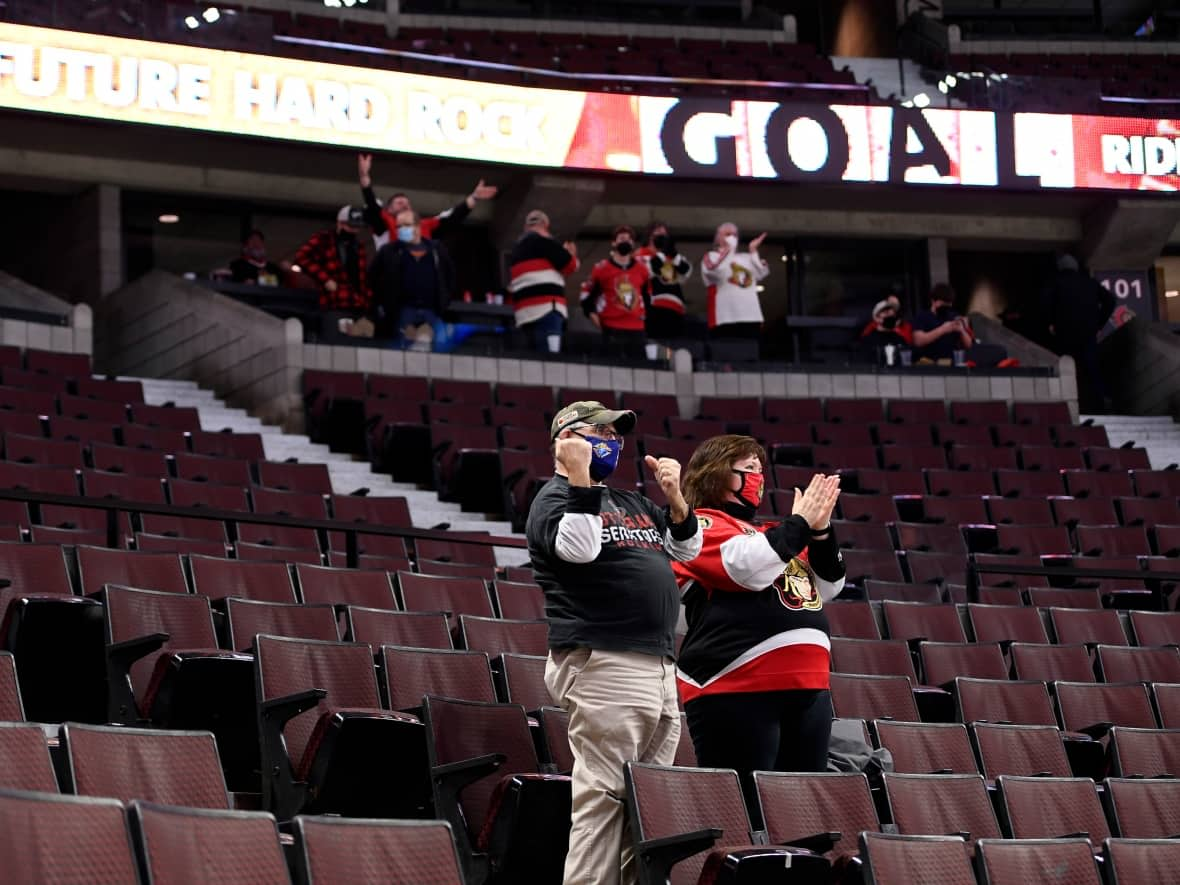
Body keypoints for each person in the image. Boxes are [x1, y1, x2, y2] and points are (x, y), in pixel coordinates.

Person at [527, 400, 702, 885]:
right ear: (566, 440)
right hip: (606, 660)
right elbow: (579, 551)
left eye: (615, 434)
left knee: (644, 806)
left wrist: (676, 498)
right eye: (599, 432)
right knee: (604, 804)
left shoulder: (631, 502)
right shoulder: (553, 498)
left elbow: (686, 549)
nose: (612, 442)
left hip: (659, 666)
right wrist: (580, 479)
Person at [673, 436, 844, 825]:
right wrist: (798, 524)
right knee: (744, 813)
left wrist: (818, 530)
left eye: (760, 470)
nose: (758, 477)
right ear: (716, 473)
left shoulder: (771, 532)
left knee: (800, 819)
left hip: (808, 689)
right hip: (736, 685)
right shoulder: (699, 524)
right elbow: (745, 570)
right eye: (747, 469)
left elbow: (829, 584)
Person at [357, 152, 497, 249]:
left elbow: (451, 218)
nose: (405, 205)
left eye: (407, 203)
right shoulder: (384, 225)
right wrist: (364, 177)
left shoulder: (425, 226)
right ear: (389, 210)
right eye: (399, 203)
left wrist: (474, 197)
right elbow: (372, 205)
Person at [368, 209, 456, 348]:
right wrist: (386, 304)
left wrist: (443, 302)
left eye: (406, 225)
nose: (401, 229)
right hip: (402, 312)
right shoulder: (389, 251)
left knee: (434, 349)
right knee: (404, 351)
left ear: (417, 226)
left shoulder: (436, 250)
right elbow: (373, 277)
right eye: (398, 226)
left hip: (431, 311)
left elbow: (450, 277)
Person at [1043, 253, 1115, 412]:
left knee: (1067, 368)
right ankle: (1102, 400)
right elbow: (1110, 301)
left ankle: (1069, 404)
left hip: (1065, 333)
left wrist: (1051, 323)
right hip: (1088, 332)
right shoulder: (1090, 283)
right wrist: (1099, 324)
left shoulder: (1057, 283)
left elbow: (1046, 304)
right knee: (1092, 368)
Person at [507, 209, 579, 353]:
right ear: (546, 225)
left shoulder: (514, 251)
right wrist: (571, 254)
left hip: (524, 314)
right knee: (551, 359)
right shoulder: (547, 243)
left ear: (526, 227)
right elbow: (571, 266)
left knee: (534, 363)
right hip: (547, 310)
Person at [580, 225, 652, 358]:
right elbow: (586, 299)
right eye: (621, 238)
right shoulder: (601, 269)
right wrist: (596, 319)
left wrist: (645, 320)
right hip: (611, 329)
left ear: (632, 243)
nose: (625, 241)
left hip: (637, 329)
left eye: (629, 239)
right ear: (613, 242)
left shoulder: (642, 269)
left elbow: (648, 298)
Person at [293, 206, 372, 312]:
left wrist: (368, 298)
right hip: (333, 303)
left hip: (358, 304)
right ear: (340, 223)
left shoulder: (359, 246)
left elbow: (362, 278)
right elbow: (301, 256)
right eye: (351, 226)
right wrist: (325, 280)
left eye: (357, 227)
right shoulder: (323, 239)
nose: (354, 230)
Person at [701, 222, 769, 339]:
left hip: (751, 316)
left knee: (750, 353)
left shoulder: (745, 257)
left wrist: (753, 251)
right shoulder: (711, 256)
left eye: (735, 235)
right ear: (718, 238)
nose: (732, 238)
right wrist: (729, 250)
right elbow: (715, 272)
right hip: (725, 317)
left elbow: (761, 273)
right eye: (728, 234)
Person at [636, 222, 692, 340]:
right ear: (650, 237)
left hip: (675, 309)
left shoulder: (671, 256)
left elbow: (686, 274)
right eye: (659, 234)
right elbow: (650, 271)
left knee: (675, 349)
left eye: (665, 235)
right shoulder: (641, 254)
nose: (663, 238)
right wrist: (662, 254)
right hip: (654, 308)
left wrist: (674, 255)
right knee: (656, 347)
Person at [912, 283, 973, 363]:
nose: (946, 307)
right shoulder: (922, 317)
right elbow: (918, 341)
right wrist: (943, 330)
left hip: (950, 364)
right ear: (933, 301)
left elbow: (969, 345)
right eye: (943, 304)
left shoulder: (954, 316)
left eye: (949, 304)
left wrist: (962, 330)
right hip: (928, 364)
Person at [858, 298, 911, 363]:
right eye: (885, 312)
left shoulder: (900, 339)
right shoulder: (868, 340)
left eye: (892, 314)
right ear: (877, 317)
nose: (889, 315)